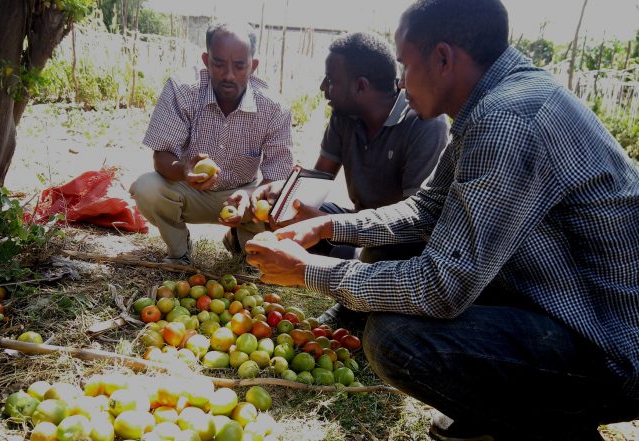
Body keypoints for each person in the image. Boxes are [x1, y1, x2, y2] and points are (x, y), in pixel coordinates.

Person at [245, 0, 639, 439]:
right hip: (566, 304)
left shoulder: (508, 120)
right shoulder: (496, 102)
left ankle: (553, 424)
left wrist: (309, 270)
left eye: (404, 65)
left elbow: (442, 287)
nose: (399, 82)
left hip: (611, 347)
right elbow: (427, 208)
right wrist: (328, 226)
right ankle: (506, 408)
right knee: (398, 273)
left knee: (396, 339)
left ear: (443, 58)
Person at [254, 32, 447, 324]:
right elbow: (319, 177)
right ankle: (353, 261)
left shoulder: (423, 123)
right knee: (288, 213)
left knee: (376, 250)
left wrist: (324, 226)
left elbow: (416, 222)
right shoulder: (345, 116)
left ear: (360, 86)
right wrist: (280, 193)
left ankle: (354, 295)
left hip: (398, 240)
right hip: (358, 223)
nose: (323, 87)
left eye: (330, 80)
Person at [130, 21, 293, 265]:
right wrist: (184, 170)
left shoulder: (274, 107)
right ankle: (179, 250)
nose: (229, 75)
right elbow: (161, 157)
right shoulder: (183, 89)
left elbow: (277, 180)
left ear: (253, 66)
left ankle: (239, 239)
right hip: (189, 190)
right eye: (219, 64)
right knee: (147, 187)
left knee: (280, 202)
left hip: (244, 196)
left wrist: (248, 197)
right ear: (206, 60)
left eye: (239, 66)